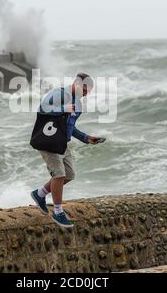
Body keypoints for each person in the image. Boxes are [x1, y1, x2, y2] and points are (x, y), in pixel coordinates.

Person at [30, 73, 102, 228]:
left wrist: (86, 138)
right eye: (84, 89)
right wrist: (64, 108)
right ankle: (58, 212)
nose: (86, 93)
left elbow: (69, 127)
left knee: (69, 174)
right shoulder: (59, 94)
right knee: (59, 174)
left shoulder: (79, 105)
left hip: (61, 142)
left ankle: (40, 194)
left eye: (88, 90)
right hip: (48, 140)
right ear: (76, 83)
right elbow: (42, 108)